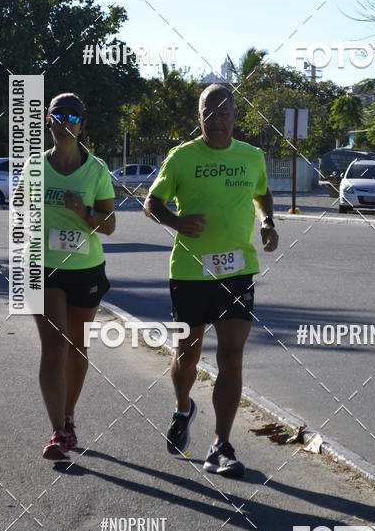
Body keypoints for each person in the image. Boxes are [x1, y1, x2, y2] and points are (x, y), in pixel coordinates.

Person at [144, 84, 279, 477]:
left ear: (235, 116)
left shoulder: (252, 156)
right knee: (188, 353)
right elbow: (152, 203)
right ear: (198, 117)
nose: (216, 119)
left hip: (237, 271)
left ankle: (221, 444)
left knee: (231, 357)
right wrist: (177, 222)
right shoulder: (181, 157)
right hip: (189, 273)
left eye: (224, 113)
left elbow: (262, 194)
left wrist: (267, 222)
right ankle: (183, 406)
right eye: (209, 112)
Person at [31, 93, 116, 460]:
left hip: (85, 269)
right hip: (44, 268)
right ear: (48, 121)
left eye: (73, 116)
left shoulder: (96, 170)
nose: (66, 122)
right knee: (54, 347)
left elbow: (109, 225)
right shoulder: (34, 168)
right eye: (58, 115)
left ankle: (68, 415)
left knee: (78, 350)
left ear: (82, 124)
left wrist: (83, 211)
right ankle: (58, 431)